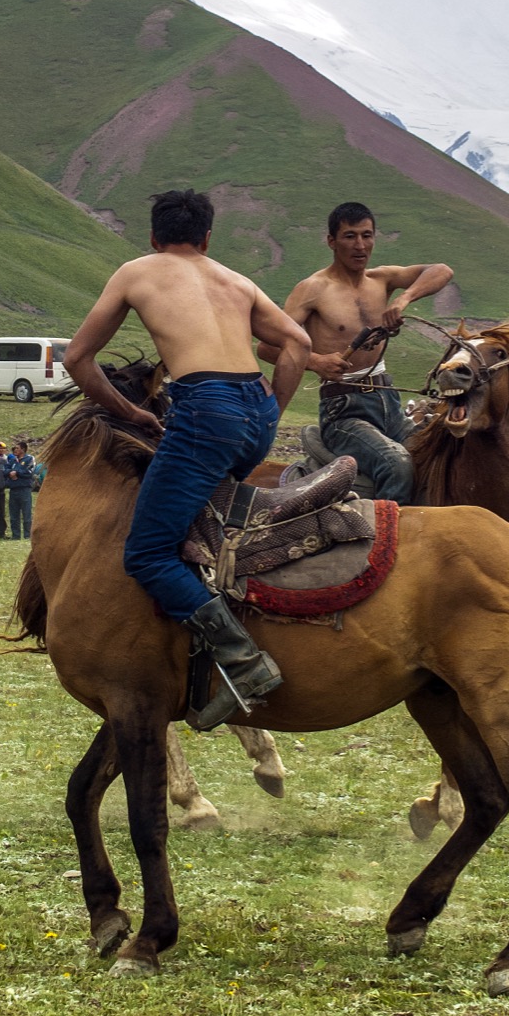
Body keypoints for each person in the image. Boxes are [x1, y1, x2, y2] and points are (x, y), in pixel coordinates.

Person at [64, 187, 311, 730]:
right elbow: (297, 343)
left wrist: (130, 411)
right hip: (254, 412)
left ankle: (242, 661)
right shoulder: (236, 280)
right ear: (206, 238)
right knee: (203, 527)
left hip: (204, 410)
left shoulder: (136, 271)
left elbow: (78, 359)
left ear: (153, 237)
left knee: (147, 554)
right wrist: (272, 408)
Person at [257, 201, 453, 504]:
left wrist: (404, 300)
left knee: (444, 448)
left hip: (388, 400)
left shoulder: (382, 279)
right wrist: (317, 362)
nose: (360, 245)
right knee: (396, 464)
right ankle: (384, 546)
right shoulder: (313, 289)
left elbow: (441, 270)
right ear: (331, 241)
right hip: (343, 409)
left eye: (367, 235)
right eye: (350, 236)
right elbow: (267, 346)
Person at [6, 440, 36, 541]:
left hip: (25, 490)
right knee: (14, 514)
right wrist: (11, 473)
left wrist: (17, 473)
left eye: (17, 448)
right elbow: (5, 470)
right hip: (13, 490)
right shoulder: (12, 460)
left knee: (26, 513)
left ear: (23, 449)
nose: (15, 450)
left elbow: (29, 472)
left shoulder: (29, 459)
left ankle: (27, 535)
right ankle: (16, 535)